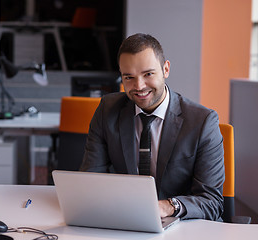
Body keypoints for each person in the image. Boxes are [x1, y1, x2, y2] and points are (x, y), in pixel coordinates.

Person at [79, 33, 225, 221]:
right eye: (129, 77)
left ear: (166, 69)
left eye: (148, 74)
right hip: (125, 221)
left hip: (183, 225)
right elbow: (90, 181)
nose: (138, 86)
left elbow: (212, 202)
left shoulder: (203, 122)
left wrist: (167, 206)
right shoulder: (107, 110)